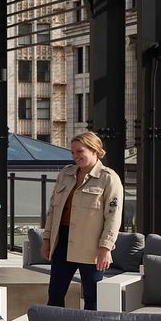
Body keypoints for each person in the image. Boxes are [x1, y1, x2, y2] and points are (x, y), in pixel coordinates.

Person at [42, 130, 124, 309]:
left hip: (91, 247)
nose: (75, 156)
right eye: (72, 152)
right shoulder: (65, 174)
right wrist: (47, 239)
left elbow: (113, 217)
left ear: (94, 150)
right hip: (62, 243)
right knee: (55, 294)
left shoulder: (108, 178)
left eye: (80, 151)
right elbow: (53, 210)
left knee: (92, 298)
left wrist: (105, 247)